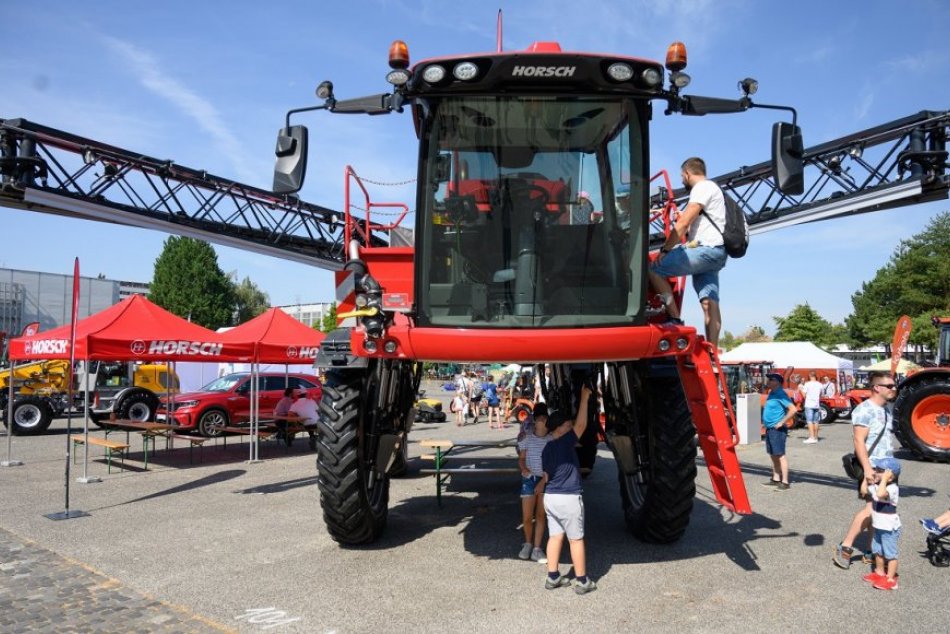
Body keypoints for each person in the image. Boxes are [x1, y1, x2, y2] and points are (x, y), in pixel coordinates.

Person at [647, 157, 728, 348]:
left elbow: (683, 224)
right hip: (717, 253)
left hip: (705, 250)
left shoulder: (701, 188)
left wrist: (665, 250)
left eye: (682, 177)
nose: (682, 181)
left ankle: (674, 318)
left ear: (687, 174)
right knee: (709, 302)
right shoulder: (715, 190)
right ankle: (712, 349)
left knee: (654, 269)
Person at [833, 371, 898, 569]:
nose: (893, 389)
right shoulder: (864, 410)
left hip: (886, 467)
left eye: (893, 386)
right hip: (873, 467)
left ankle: (870, 550)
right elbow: (859, 442)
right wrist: (867, 471)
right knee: (870, 509)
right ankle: (845, 547)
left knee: (879, 510)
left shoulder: (886, 409)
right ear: (877, 388)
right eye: (889, 386)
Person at [539, 384, 596, 594]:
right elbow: (582, 425)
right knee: (576, 539)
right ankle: (582, 581)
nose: (571, 426)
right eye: (567, 424)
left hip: (550, 497)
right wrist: (584, 397)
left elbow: (546, 475)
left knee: (555, 537)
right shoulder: (564, 443)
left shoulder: (547, 449)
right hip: (568, 498)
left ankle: (553, 577)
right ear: (559, 429)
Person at [517, 402, 552, 563]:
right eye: (539, 418)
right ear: (534, 419)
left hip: (545, 479)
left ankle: (537, 548)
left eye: (545, 418)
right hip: (529, 479)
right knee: (526, 517)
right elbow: (522, 457)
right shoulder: (528, 436)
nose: (541, 420)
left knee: (540, 515)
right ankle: (528, 543)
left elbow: (553, 463)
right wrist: (524, 469)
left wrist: (543, 481)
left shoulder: (551, 439)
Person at [861, 458, 901, 590]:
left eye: (879, 471)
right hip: (878, 526)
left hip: (889, 528)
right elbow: (864, 491)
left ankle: (890, 579)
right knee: (878, 551)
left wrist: (883, 479)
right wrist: (865, 479)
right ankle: (879, 572)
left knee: (890, 554)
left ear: (890, 477)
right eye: (876, 469)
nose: (876, 472)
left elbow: (880, 494)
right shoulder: (878, 486)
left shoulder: (893, 488)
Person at [761, 373, 797, 491]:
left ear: (778, 382)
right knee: (773, 455)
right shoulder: (772, 393)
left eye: (771, 379)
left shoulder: (781, 394)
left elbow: (793, 409)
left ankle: (785, 482)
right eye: (769, 379)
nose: (768, 381)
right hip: (770, 428)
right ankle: (776, 478)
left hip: (777, 430)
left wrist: (782, 422)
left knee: (780, 455)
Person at [801, 371, 823, 444]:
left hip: (809, 404)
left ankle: (811, 437)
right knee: (816, 421)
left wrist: (801, 390)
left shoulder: (807, 384)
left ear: (809, 376)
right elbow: (821, 395)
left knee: (809, 421)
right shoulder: (820, 384)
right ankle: (816, 437)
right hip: (816, 404)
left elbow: (804, 395)